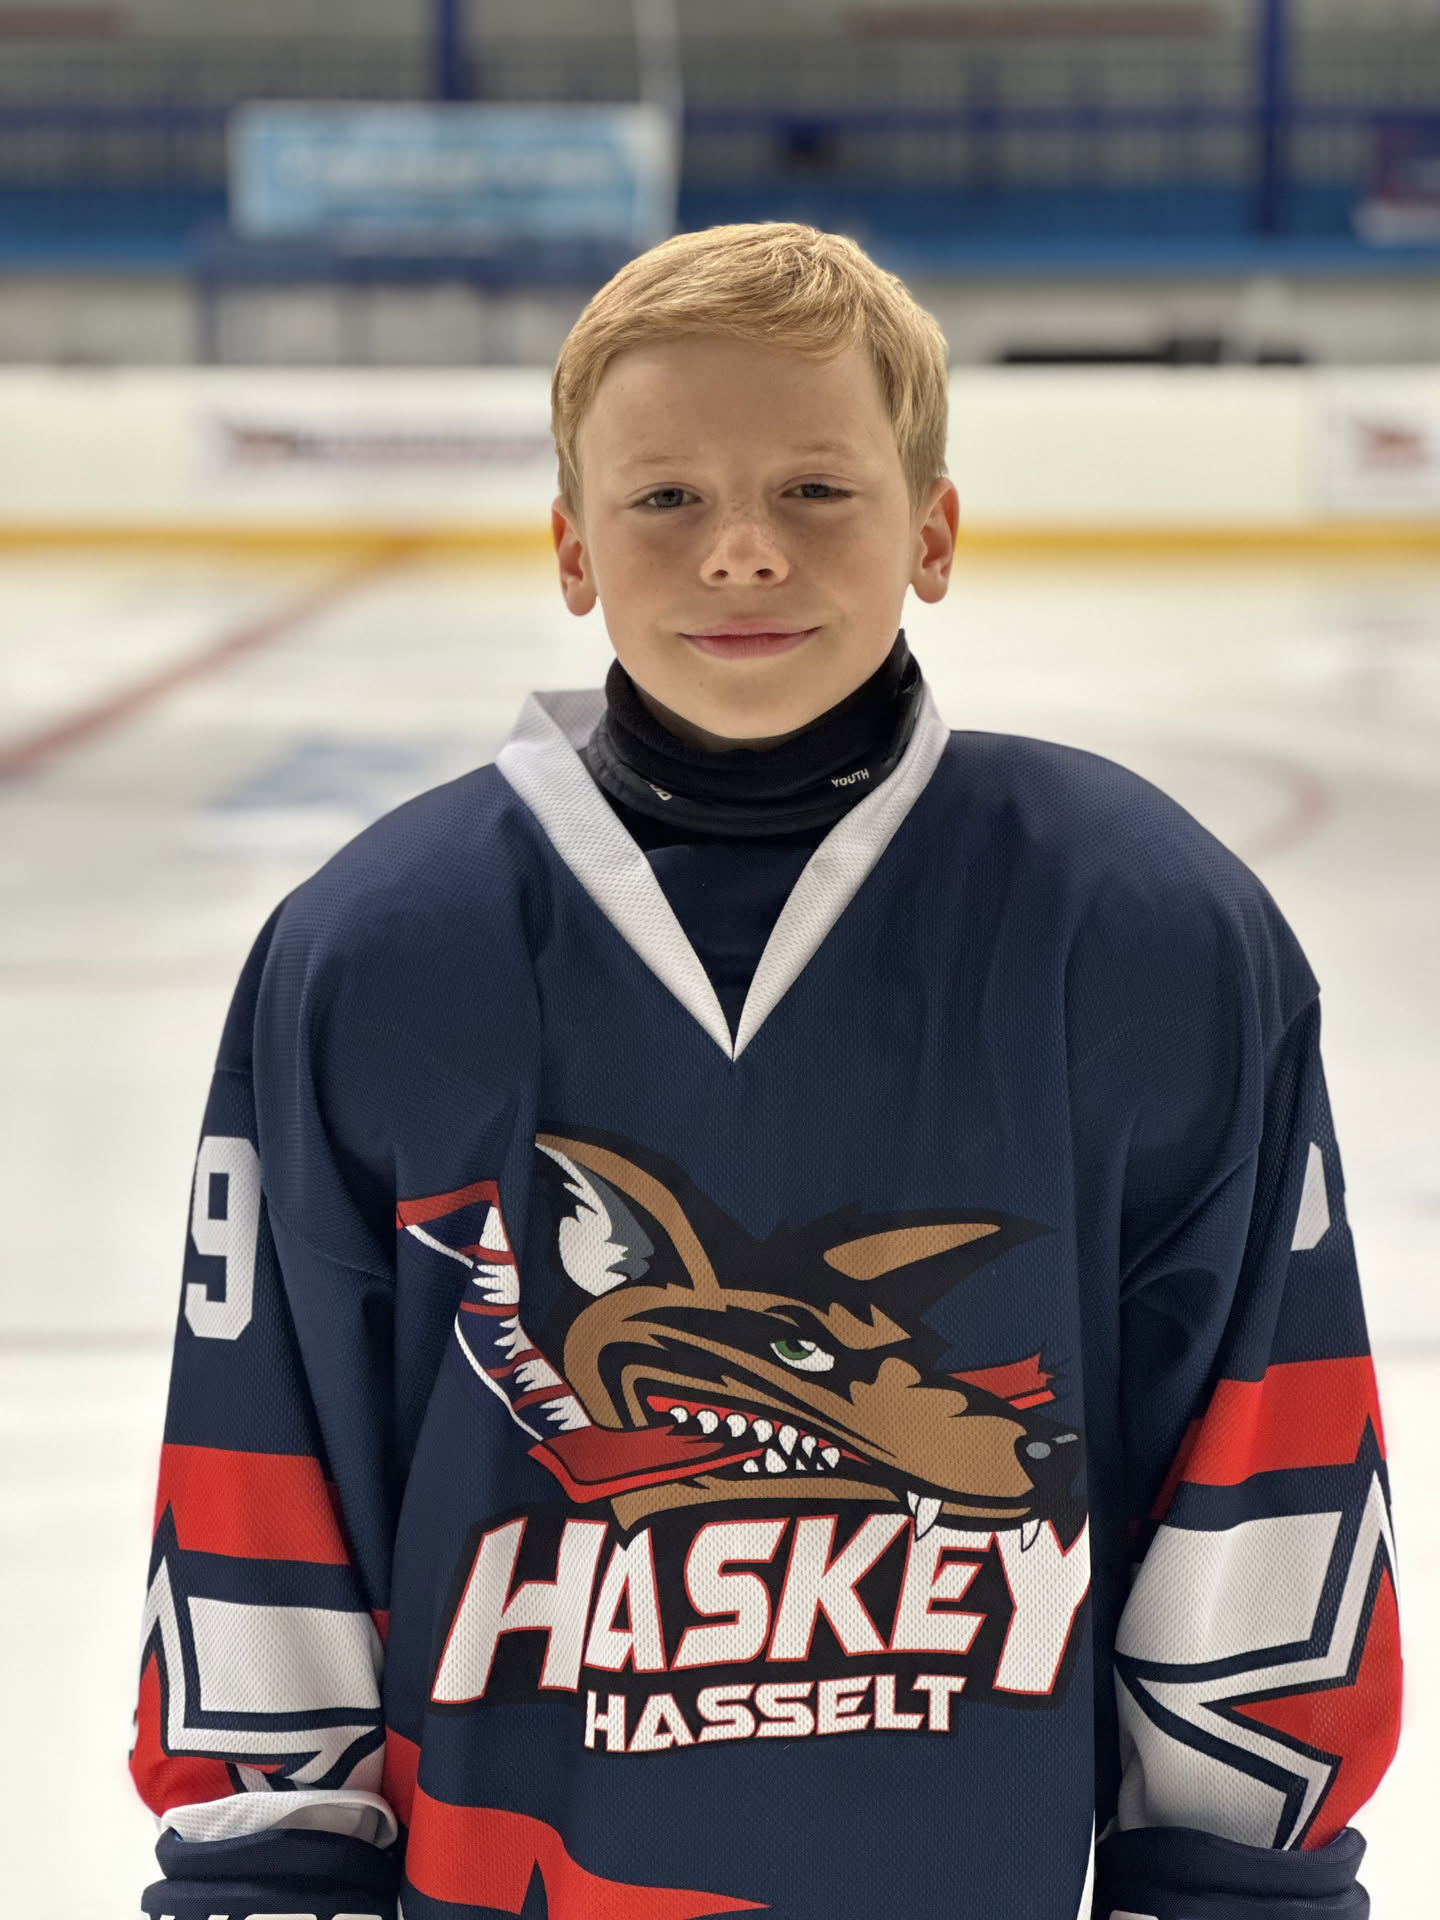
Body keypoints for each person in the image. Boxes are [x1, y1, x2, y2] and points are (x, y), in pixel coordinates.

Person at [129, 223, 1401, 1920]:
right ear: (572, 549)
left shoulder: (1144, 934)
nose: (742, 550)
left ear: (931, 531)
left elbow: (1257, 1474)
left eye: (816, 490)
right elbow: (267, 1494)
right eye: (666, 499)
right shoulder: (376, 954)